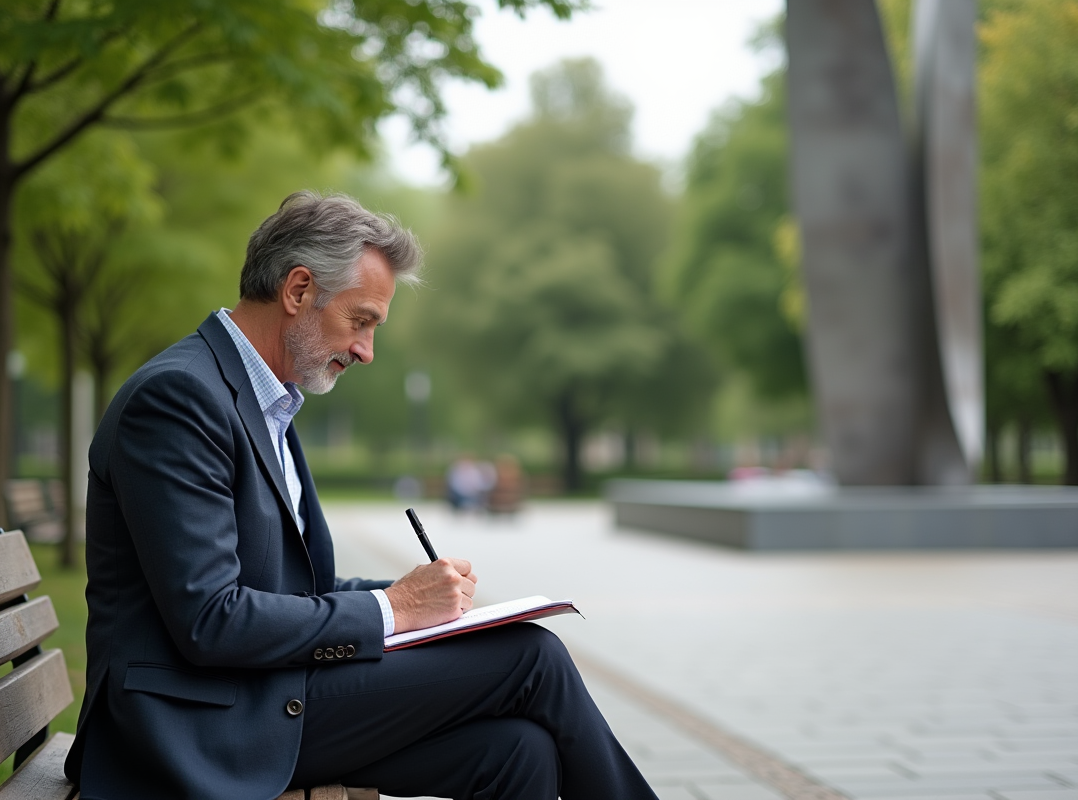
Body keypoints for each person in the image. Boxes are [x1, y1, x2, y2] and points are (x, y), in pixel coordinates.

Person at [64, 191, 659, 800]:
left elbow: (293, 592)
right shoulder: (178, 399)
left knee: (517, 751)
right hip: (191, 727)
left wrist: (417, 604)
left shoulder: (263, 402)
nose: (366, 351)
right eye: (362, 320)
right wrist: (395, 609)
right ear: (298, 291)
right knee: (534, 658)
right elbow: (212, 620)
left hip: (254, 695)